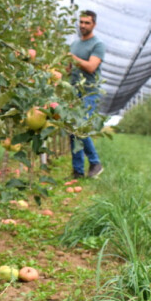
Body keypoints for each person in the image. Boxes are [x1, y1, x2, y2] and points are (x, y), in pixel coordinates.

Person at [67, 10, 105, 179]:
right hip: (73, 92)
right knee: (71, 129)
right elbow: (69, 69)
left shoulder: (97, 45)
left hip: (88, 92)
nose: (82, 25)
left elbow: (91, 67)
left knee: (80, 127)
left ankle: (95, 162)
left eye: (87, 23)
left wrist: (72, 58)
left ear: (94, 24)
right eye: (81, 22)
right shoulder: (74, 44)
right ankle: (78, 171)